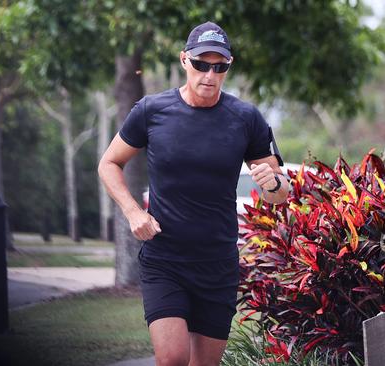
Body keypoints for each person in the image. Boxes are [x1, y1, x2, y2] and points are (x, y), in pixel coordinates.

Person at [98, 21, 290, 366]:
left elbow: (281, 191)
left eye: (220, 67)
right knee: (172, 359)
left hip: (217, 264)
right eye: (202, 64)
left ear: (228, 67)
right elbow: (109, 164)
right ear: (185, 60)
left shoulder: (246, 118)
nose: (210, 74)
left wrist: (273, 183)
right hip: (165, 260)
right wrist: (133, 212)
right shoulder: (151, 111)